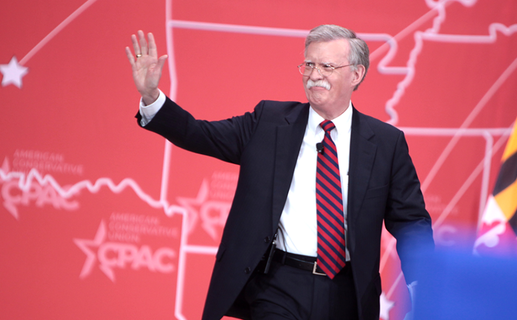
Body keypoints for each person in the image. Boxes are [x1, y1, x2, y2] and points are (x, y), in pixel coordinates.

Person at [126, 24, 434, 320]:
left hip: (348, 292)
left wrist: (423, 285)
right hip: (279, 285)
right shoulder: (269, 122)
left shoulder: (385, 143)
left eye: (327, 67)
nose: (314, 76)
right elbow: (197, 133)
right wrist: (153, 97)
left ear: (356, 74)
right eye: (309, 65)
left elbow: (410, 222)